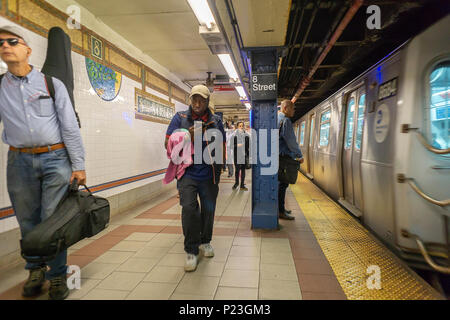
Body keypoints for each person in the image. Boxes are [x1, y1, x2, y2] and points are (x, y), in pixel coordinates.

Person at [0, 25, 86, 299]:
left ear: (27, 49)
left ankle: (57, 276)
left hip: (55, 159)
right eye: (0, 43)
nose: (5, 45)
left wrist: (78, 164)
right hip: (19, 161)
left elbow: (69, 126)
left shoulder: (51, 83)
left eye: (12, 41)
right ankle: (35, 270)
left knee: (53, 220)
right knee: (27, 221)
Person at [165, 84, 225, 272]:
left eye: (201, 99)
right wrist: (186, 136)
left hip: (209, 174)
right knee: (189, 209)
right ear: (190, 100)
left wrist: (221, 167)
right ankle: (191, 250)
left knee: (208, 210)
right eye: (194, 99)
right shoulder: (180, 118)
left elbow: (222, 146)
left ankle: (205, 241)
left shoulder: (216, 121)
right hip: (187, 173)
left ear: (207, 101)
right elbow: (166, 142)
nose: (197, 103)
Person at [278, 100, 303, 220]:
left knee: (280, 184)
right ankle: (280, 211)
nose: (294, 111)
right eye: (292, 109)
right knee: (283, 184)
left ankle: (280, 208)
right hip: (283, 158)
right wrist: (299, 155)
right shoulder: (286, 121)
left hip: (276, 156)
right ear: (286, 108)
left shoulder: (276, 119)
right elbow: (291, 141)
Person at [232, 121, 249, 191]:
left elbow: (248, 146)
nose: (241, 127)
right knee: (237, 170)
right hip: (237, 156)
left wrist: (248, 155)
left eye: (242, 126)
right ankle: (236, 183)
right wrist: (237, 145)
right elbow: (230, 146)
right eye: (240, 126)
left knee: (243, 170)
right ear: (237, 127)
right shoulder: (234, 136)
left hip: (243, 155)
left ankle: (242, 185)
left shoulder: (246, 136)